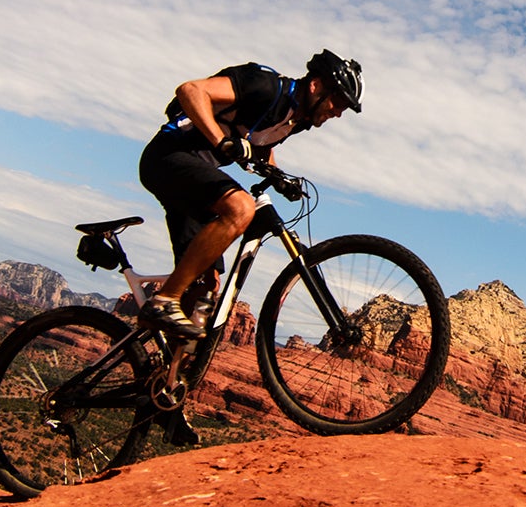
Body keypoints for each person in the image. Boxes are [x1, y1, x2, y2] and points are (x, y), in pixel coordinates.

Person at [137, 50, 363, 340]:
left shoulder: (297, 120)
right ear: (316, 85)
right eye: (338, 101)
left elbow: (261, 141)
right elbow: (190, 90)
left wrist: (280, 178)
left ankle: (165, 374)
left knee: (206, 283)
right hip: (168, 156)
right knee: (241, 208)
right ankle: (164, 301)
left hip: (195, 181)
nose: (338, 111)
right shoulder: (265, 86)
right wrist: (220, 142)